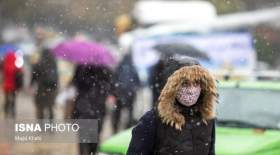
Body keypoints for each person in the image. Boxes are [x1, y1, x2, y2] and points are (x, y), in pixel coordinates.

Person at [127, 65, 217, 155]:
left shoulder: (207, 119)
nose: (191, 90)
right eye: (185, 83)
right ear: (173, 87)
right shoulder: (153, 119)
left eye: (196, 83)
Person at [71, 64, 113, 155]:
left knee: (84, 137)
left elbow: (75, 83)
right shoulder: (105, 68)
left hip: (84, 107)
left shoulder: (81, 66)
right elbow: (109, 87)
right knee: (94, 137)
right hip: (97, 108)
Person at [111, 53, 141, 133]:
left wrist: (114, 92)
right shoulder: (133, 68)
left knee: (117, 111)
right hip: (130, 94)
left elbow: (113, 80)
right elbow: (138, 82)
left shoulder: (119, 67)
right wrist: (134, 89)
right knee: (130, 111)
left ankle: (115, 128)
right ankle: (128, 128)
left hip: (119, 93)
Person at [31, 48, 58, 120]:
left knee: (40, 106)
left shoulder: (39, 63)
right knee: (50, 107)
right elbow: (56, 76)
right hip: (52, 88)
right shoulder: (53, 63)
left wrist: (31, 84)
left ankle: (41, 125)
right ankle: (51, 125)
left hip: (41, 88)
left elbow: (34, 76)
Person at [2, 52, 23, 118]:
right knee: (13, 99)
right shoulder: (16, 64)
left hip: (6, 85)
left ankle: (6, 111)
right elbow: (20, 72)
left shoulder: (4, 64)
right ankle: (13, 112)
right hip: (14, 85)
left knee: (6, 99)